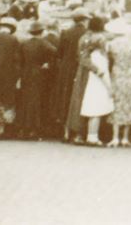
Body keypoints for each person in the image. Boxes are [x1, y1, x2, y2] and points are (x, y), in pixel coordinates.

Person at [76, 16, 114, 146]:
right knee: (96, 109)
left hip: (91, 80)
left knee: (91, 107)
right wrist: (109, 88)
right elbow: (102, 73)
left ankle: (89, 135)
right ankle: (93, 137)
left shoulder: (88, 44)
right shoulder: (100, 57)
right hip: (99, 82)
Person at [108, 19, 131, 147]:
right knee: (130, 103)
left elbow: (109, 60)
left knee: (117, 102)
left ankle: (115, 137)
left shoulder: (111, 44)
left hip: (117, 72)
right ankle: (125, 137)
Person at [54, 8, 89, 140]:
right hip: (79, 68)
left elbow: (60, 53)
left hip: (66, 69)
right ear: (84, 20)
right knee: (78, 98)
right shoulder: (86, 34)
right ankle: (78, 132)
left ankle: (65, 131)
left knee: (65, 98)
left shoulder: (66, 33)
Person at [19, 21, 57, 140]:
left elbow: (20, 59)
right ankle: (34, 129)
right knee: (36, 101)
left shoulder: (24, 44)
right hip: (38, 73)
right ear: (41, 32)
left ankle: (23, 128)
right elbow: (55, 51)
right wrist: (46, 63)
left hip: (26, 73)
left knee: (25, 100)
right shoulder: (43, 43)